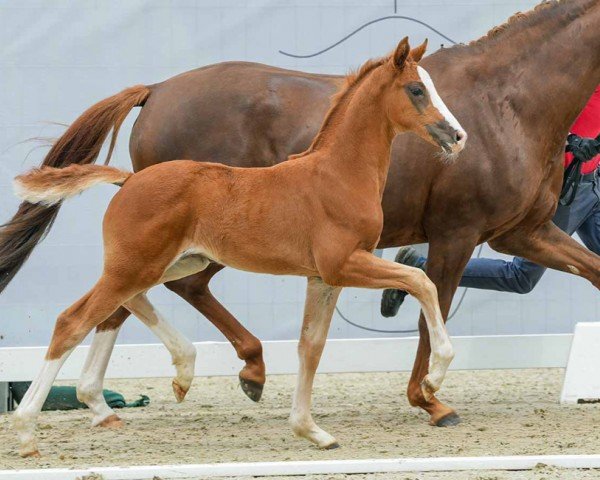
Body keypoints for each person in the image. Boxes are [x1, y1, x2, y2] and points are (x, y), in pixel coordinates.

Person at [381, 86, 600, 317]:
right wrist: (572, 142)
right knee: (521, 278)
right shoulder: (582, 76)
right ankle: (417, 269)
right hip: (564, 189)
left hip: (593, 184)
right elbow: (528, 114)